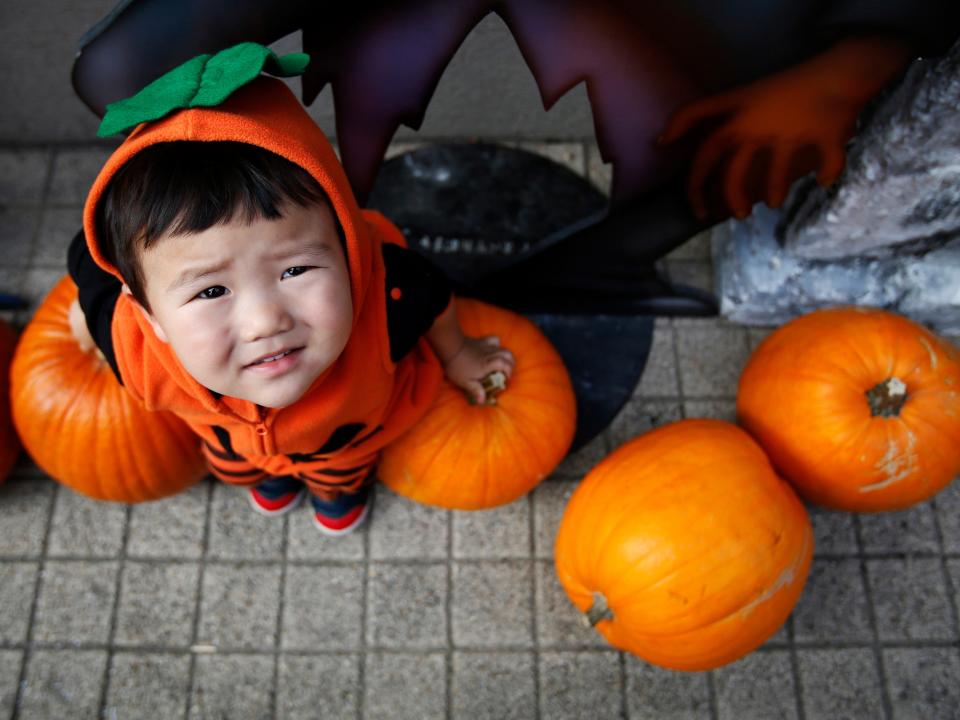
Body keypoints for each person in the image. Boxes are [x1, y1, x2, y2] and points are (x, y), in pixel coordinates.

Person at [67, 44, 514, 535]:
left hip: (347, 437)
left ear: (347, 251)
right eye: (212, 292)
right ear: (149, 314)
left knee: (340, 469)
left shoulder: (388, 298)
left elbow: (432, 295)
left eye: (295, 270)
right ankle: (264, 476)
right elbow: (87, 263)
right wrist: (81, 315)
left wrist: (458, 355)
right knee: (234, 462)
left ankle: (337, 491)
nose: (266, 322)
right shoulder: (133, 348)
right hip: (225, 435)